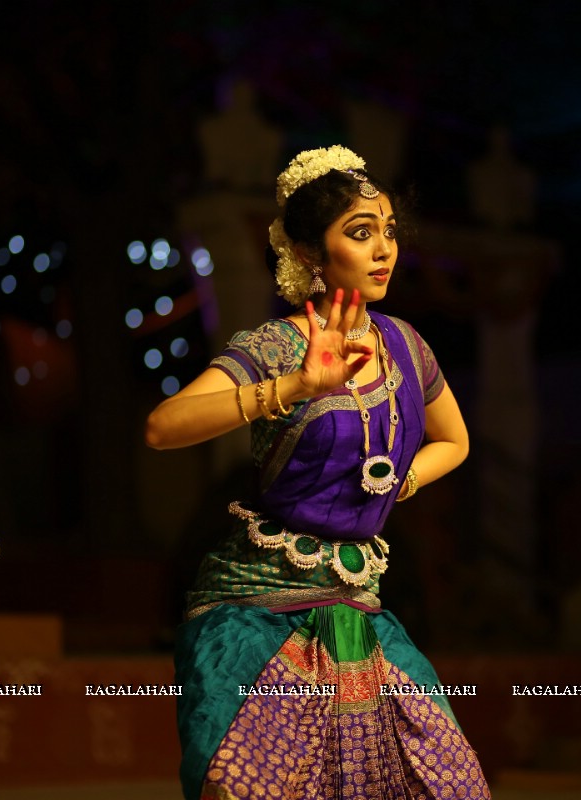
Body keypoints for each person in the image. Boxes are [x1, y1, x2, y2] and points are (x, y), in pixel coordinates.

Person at [146, 145, 490, 799]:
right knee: (248, 786)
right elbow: (163, 427)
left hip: (358, 607)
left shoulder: (407, 346)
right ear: (308, 253)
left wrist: (398, 482)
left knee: (450, 786)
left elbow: (456, 441)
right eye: (361, 233)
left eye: (389, 231)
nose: (384, 248)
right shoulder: (277, 346)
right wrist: (295, 386)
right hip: (256, 612)